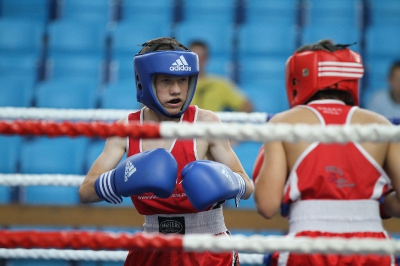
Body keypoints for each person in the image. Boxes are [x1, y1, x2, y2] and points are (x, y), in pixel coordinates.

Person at [78, 37, 254, 266]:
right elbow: (85, 192)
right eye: (166, 81)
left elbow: (247, 187)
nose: (176, 90)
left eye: (183, 80)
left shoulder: (206, 123)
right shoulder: (126, 129)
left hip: (207, 245)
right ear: (145, 82)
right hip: (151, 246)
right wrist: (118, 181)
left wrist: (227, 181)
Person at [253, 39, 400, 266]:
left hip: (308, 243)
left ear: (299, 77)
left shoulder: (285, 123)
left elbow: (267, 206)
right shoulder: (380, 124)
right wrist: (378, 204)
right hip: (372, 246)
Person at [188, 40, 254, 113]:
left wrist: (231, 121)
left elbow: (247, 106)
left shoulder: (220, 84)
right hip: (184, 124)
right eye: (193, 57)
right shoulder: (179, 84)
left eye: (201, 57)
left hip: (212, 123)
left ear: (207, 59)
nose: (197, 61)